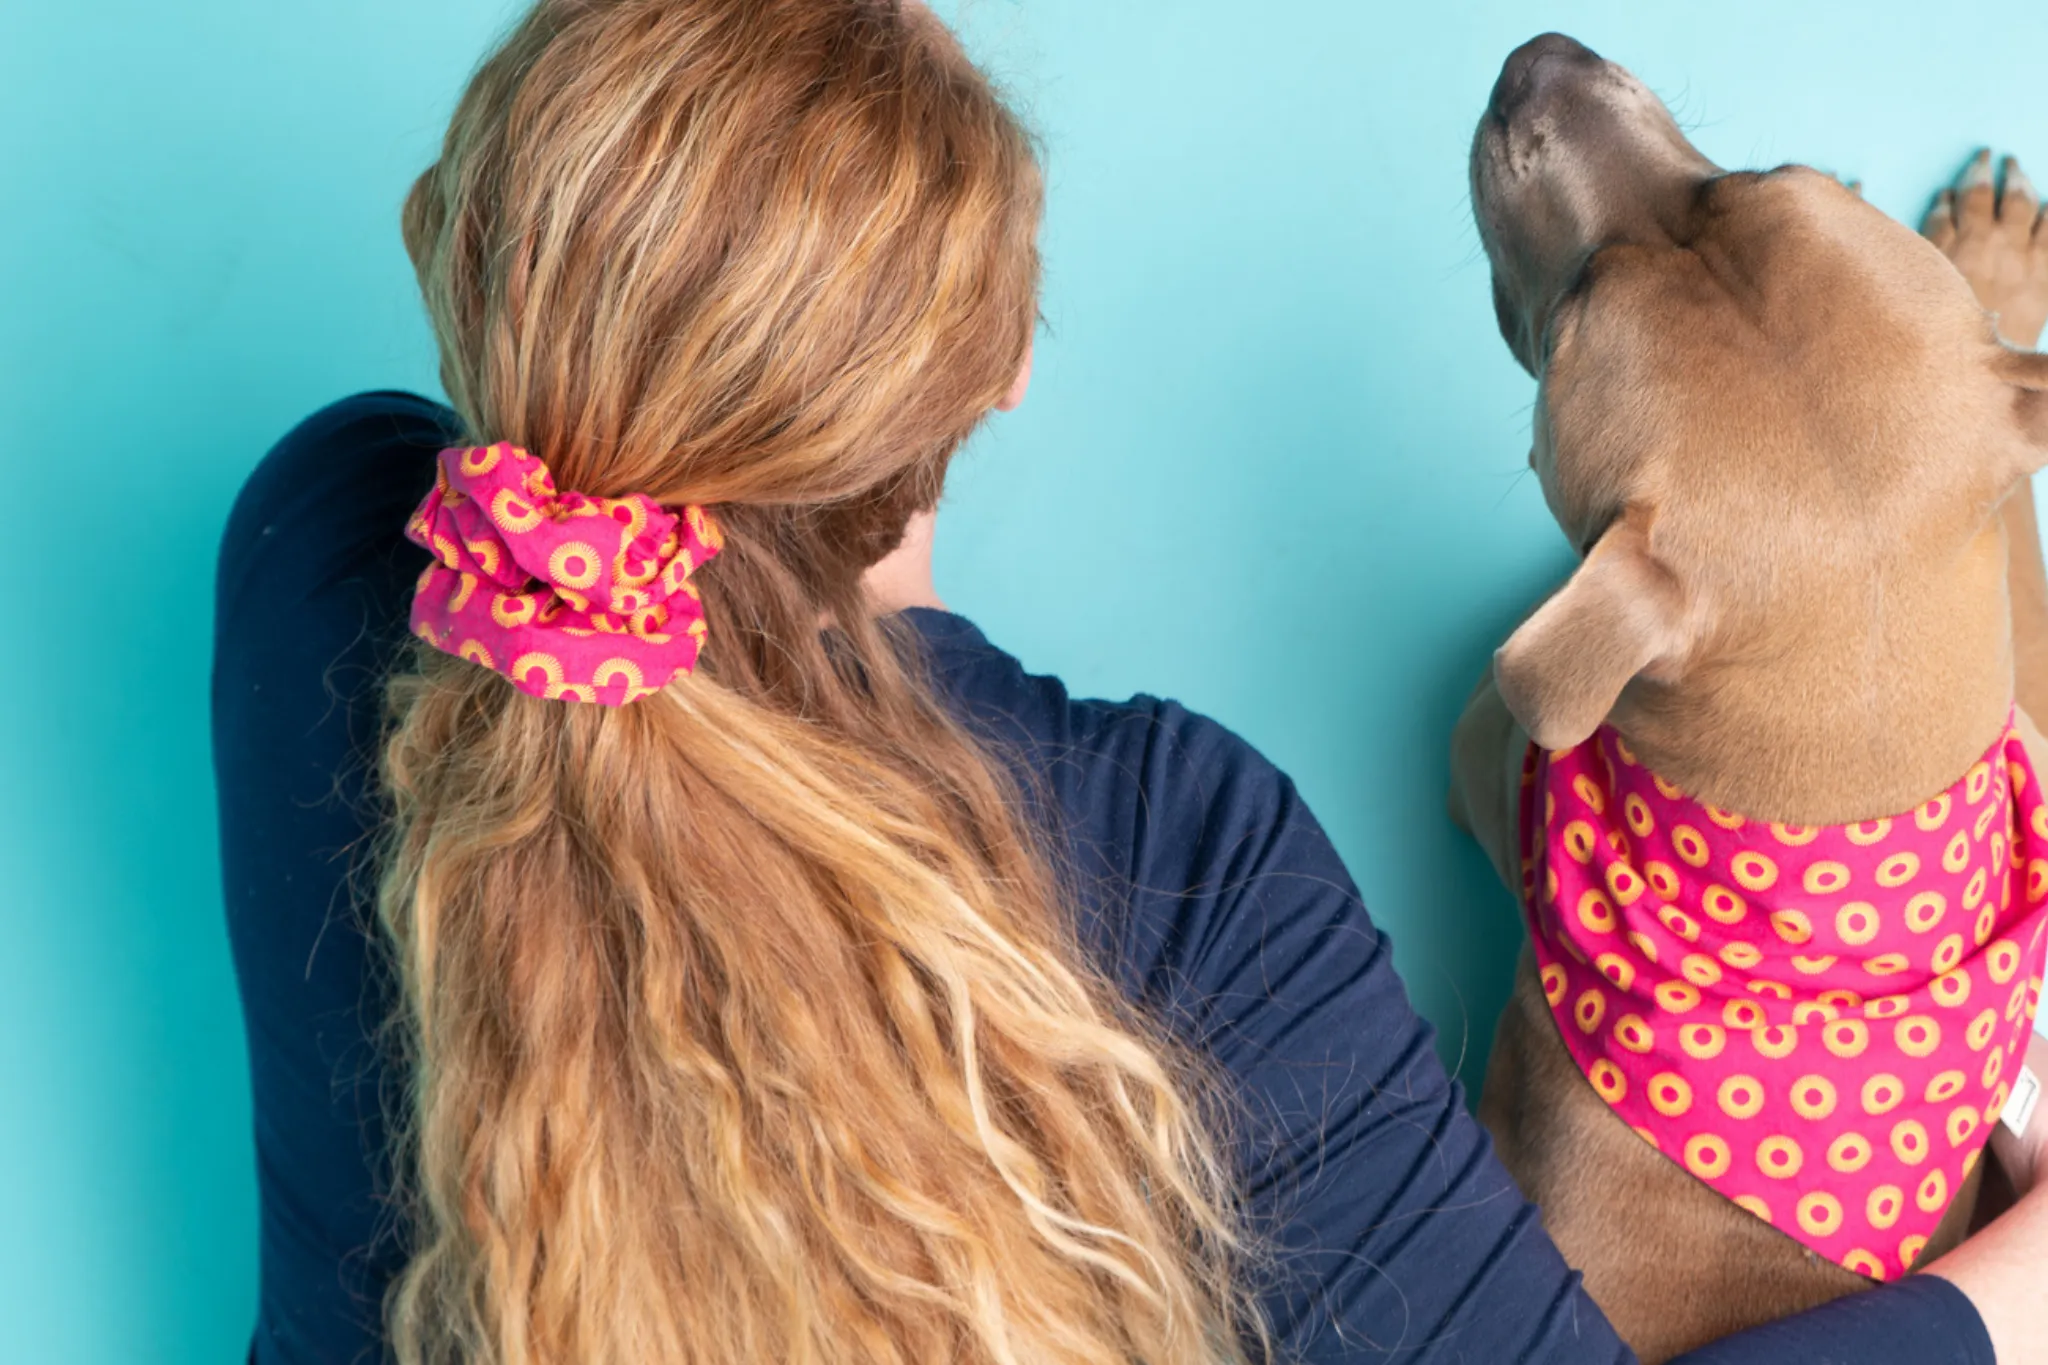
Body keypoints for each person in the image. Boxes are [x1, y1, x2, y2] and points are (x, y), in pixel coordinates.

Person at [211, 1, 2048, 1361]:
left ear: (467, 242)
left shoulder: (332, 559)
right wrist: (2011, 1292)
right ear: (1001, 371)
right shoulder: (1175, 862)